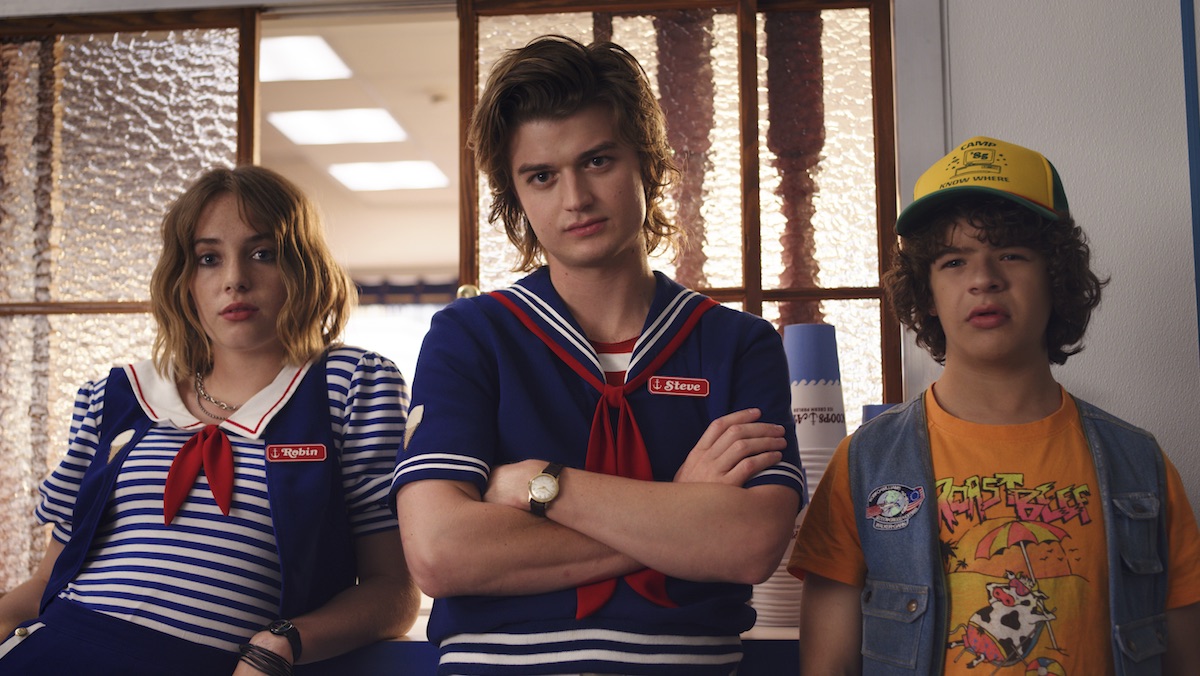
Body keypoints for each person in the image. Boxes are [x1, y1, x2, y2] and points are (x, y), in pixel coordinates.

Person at [391, 35, 807, 676]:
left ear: (647, 162)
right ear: (516, 196)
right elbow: (441, 554)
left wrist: (540, 486)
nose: (575, 198)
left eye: (598, 161)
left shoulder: (736, 343)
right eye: (541, 176)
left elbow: (748, 544)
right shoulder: (470, 337)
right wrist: (679, 509)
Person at [789, 136, 1200, 674]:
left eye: (1010, 253)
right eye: (954, 260)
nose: (984, 279)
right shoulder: (865, 464)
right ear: (927, 294)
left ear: (1056, 278)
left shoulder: (1138, 465)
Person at [0, 166, 420, 675]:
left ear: (303, 268)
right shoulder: (117, 397)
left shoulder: (349, 385)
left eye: (263, 253)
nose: (234, 279)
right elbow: (48, 581)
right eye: (208, 259)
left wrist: (280, 645)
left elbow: (393, 593)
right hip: (57, 647)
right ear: (185, 281)